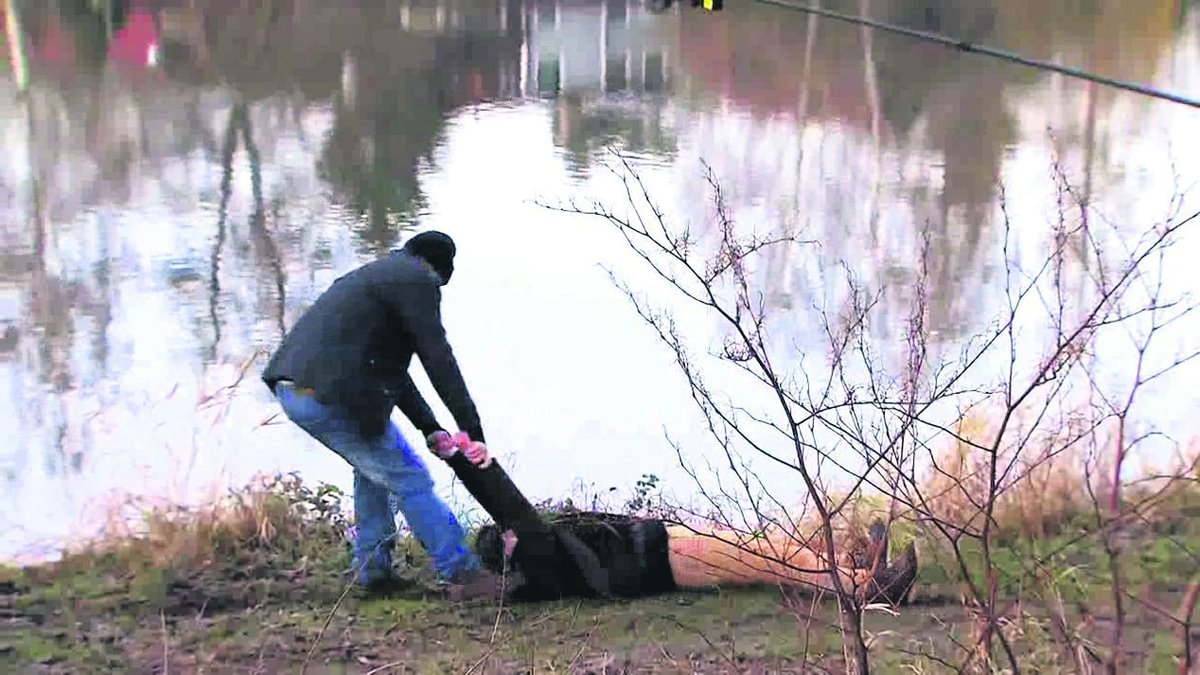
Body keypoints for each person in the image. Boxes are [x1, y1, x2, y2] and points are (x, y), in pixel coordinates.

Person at [261, 230, 502, 600]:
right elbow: (438, 357)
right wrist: (472, 429)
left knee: (373, 471)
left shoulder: (380, 276)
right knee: (411, 477)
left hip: (300, 389)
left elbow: (392, 371)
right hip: (330, 394)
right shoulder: (418, 279)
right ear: (439, 270)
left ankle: (374, 573)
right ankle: (463, 573)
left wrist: (430, 427)